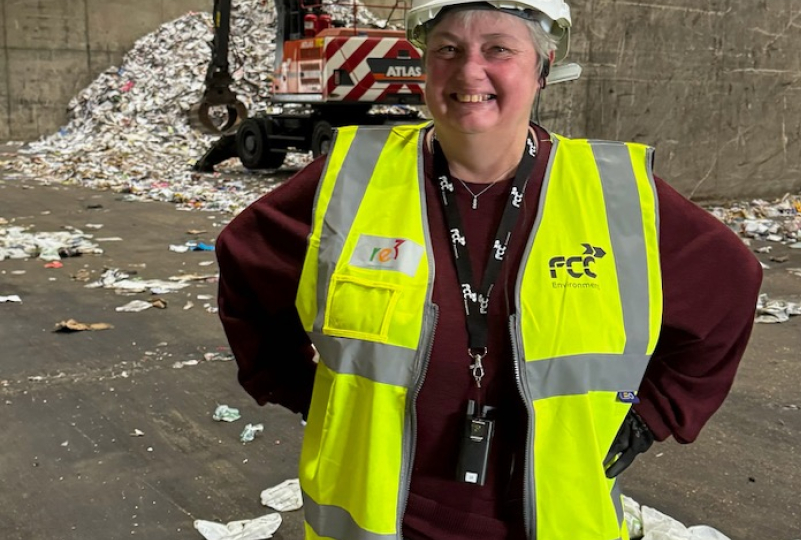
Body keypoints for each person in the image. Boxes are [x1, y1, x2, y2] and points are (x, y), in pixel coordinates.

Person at [216, 0, 763, 538]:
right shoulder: (353, 177)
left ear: (543, 69)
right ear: (425, 67)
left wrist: (658, 412)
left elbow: (731, 284)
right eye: (447, 49)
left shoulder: (613, 191)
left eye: (498, 49)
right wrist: (304, 391)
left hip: (552, 520)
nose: (469, 71)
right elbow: (246, 263)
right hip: (380, 520)